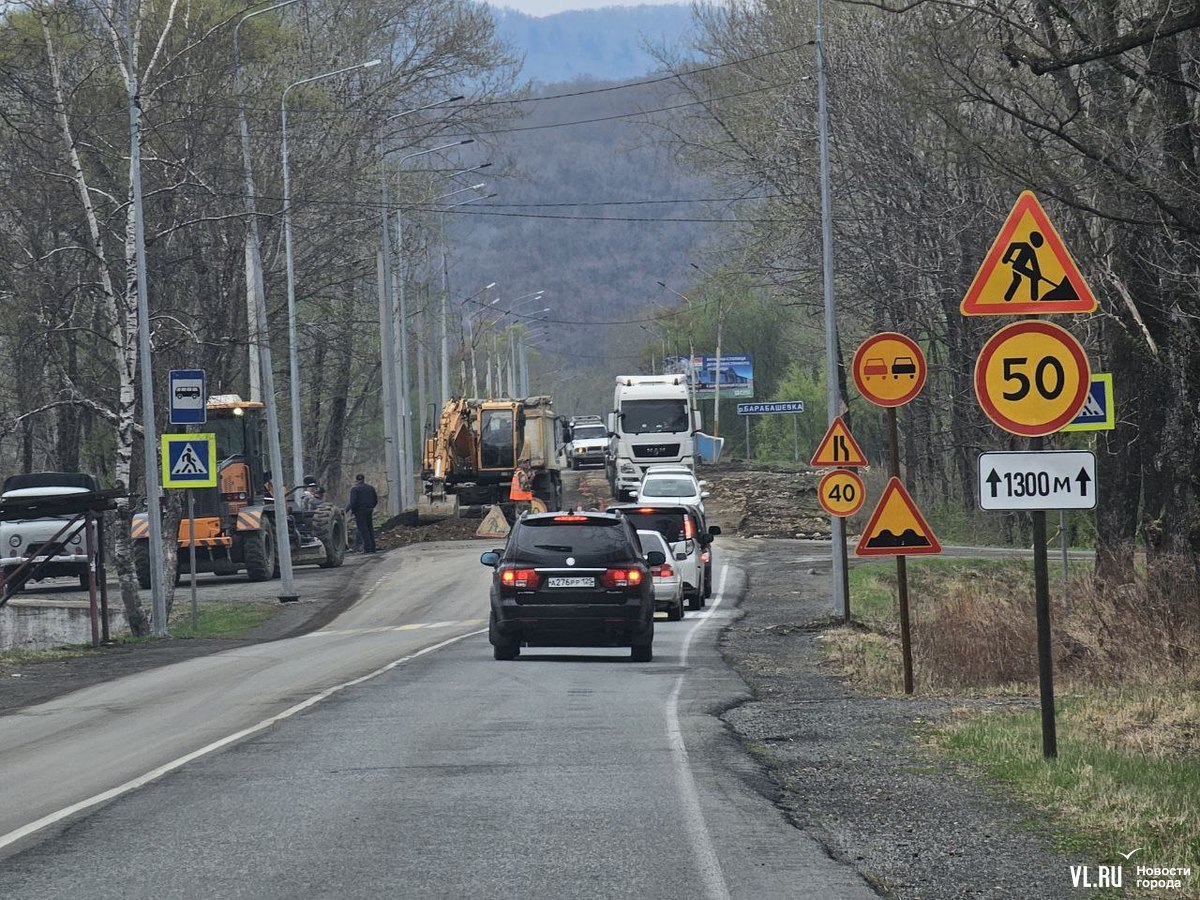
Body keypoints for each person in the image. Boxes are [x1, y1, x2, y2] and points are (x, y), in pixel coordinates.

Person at [347, 473, 378, 553]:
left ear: (356, 480)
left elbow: (353, 502)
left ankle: (367, 548)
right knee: (370, 528)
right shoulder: (371, 488)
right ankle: (373, 547)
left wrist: (348, 510)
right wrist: (371, 507)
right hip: (369, 510)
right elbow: (375, 500)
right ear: (364, 479)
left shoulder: (355, 489)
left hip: (360, 511)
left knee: (363, 530)